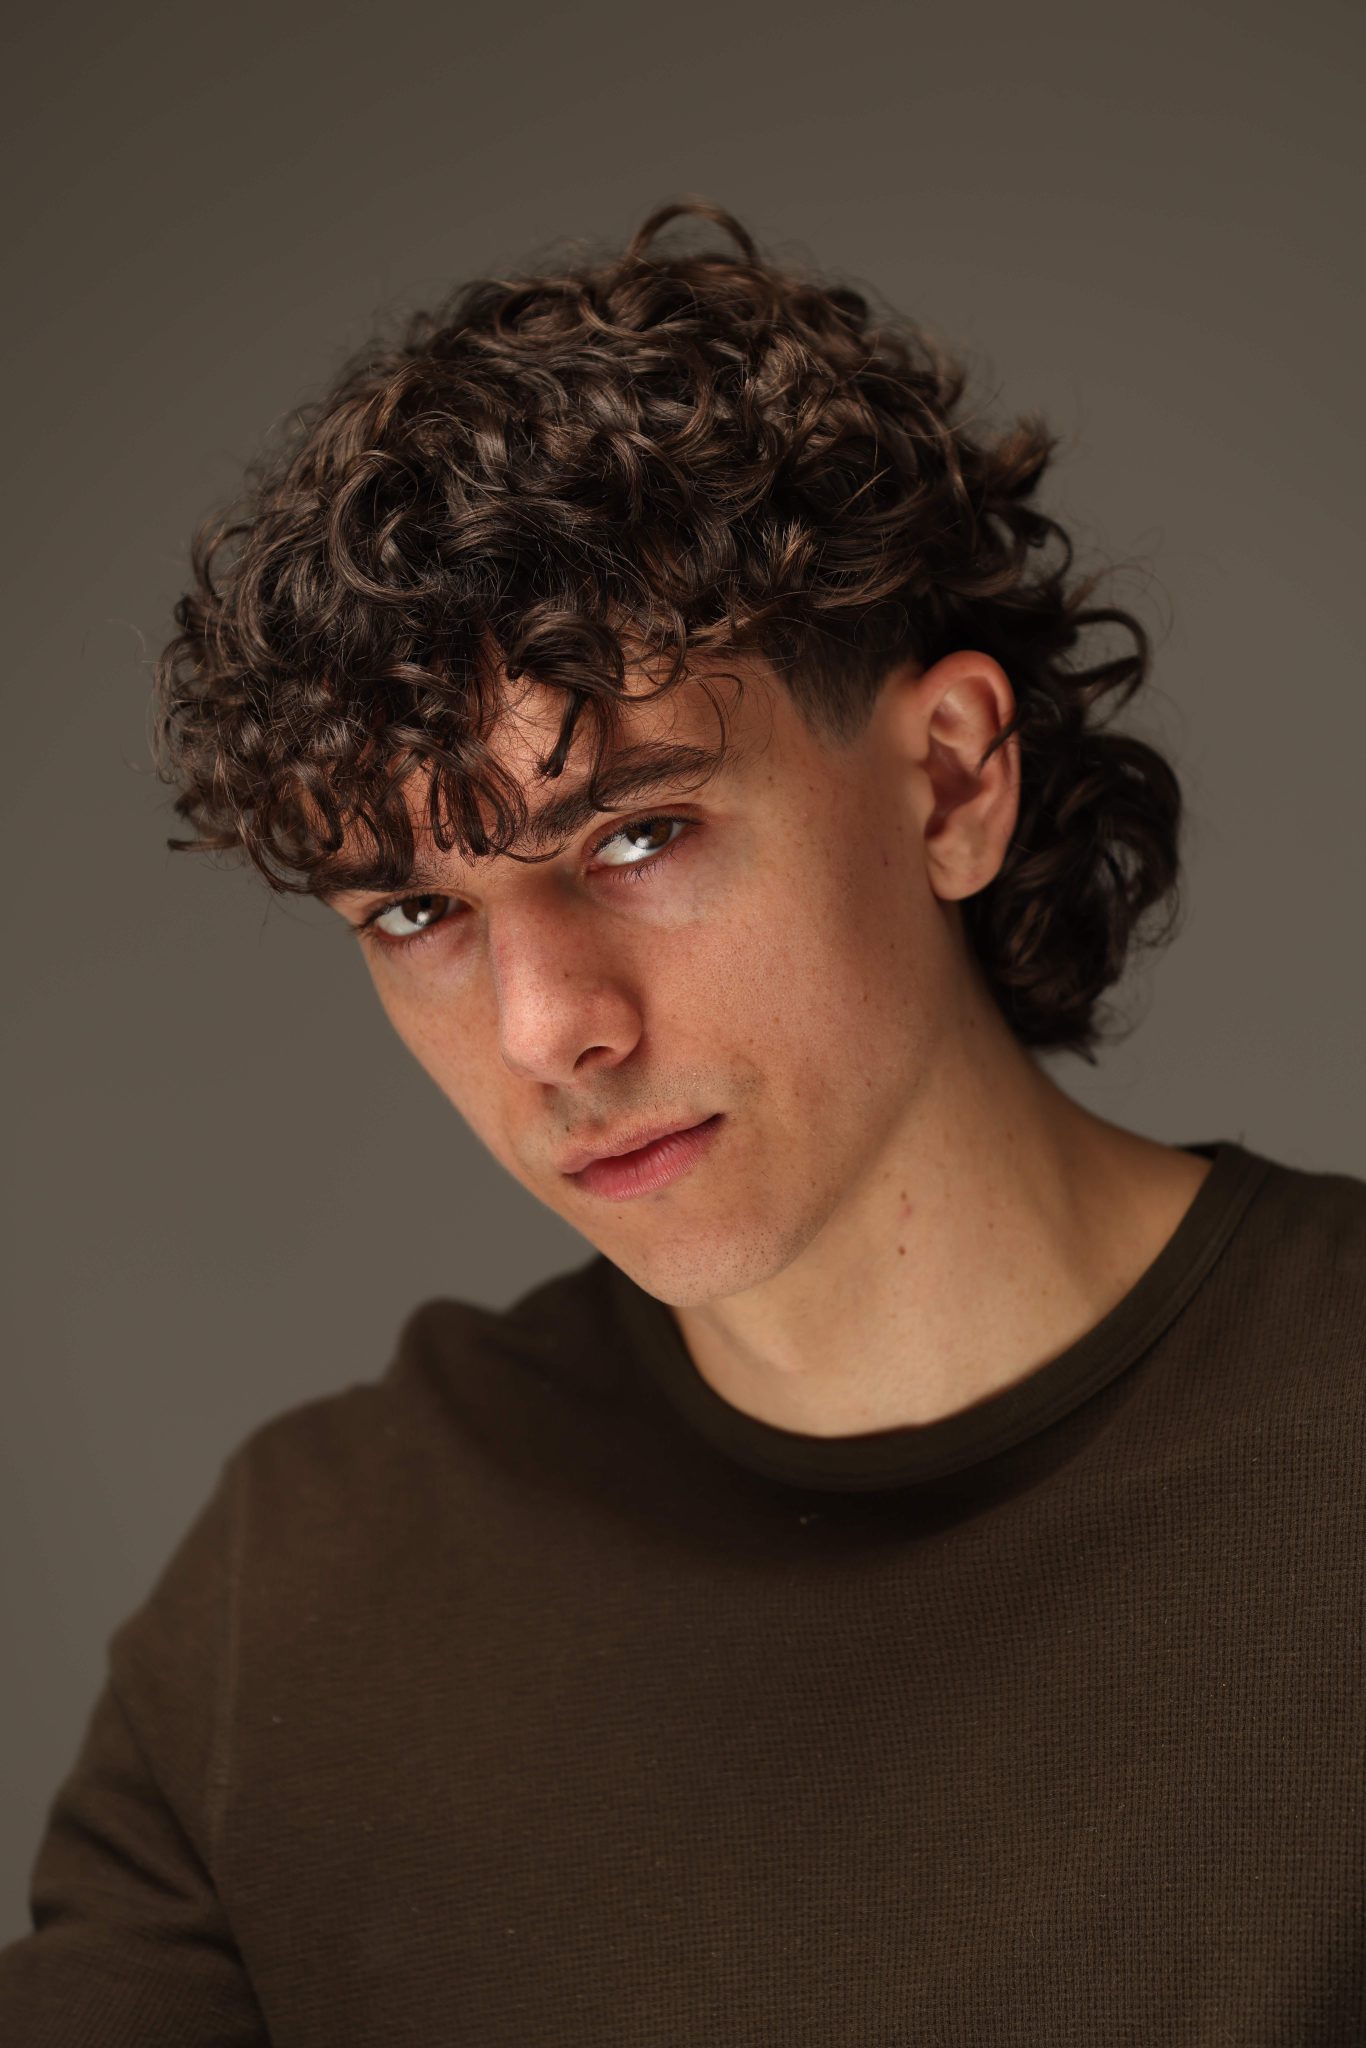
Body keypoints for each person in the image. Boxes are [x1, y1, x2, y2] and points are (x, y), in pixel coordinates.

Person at [2, 198, 1362, 2044]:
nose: (546, 1027)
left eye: (637, 835)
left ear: (948, 782)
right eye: (414, 913)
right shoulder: (303, 1598)